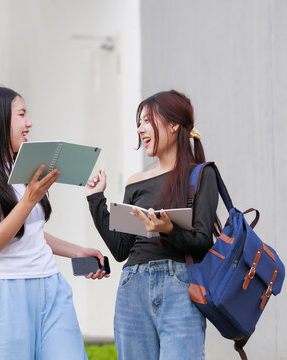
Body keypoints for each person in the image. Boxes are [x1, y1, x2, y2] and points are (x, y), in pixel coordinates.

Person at [0, 85, 108, 360]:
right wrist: (29, 200)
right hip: (4, 292)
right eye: (21, 114)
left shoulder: (20, 170)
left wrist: (77, 251)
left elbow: (29, 231)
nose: (29, 122)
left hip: (49, 285)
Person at [85, 90, 220, 360]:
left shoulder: (202, 174)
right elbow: (121, 248)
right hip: (132, 286)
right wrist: (95, 199)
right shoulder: (136, 181)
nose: (140, 129)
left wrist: (168, 229)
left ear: (174, 125)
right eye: (139, 122)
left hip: (180, 287)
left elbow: (204, 242)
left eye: (148, 120)